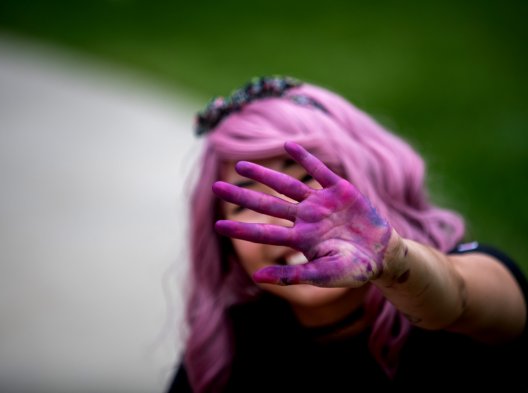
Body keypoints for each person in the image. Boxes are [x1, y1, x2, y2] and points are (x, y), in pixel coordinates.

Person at [167, 76, 527, 392]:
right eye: (248, 201)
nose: (291, 222)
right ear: (224, 244)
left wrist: (395, 263)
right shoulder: (225, 348)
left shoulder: (471, 277)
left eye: (307, 179)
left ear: (372, 176)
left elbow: (457, 297)